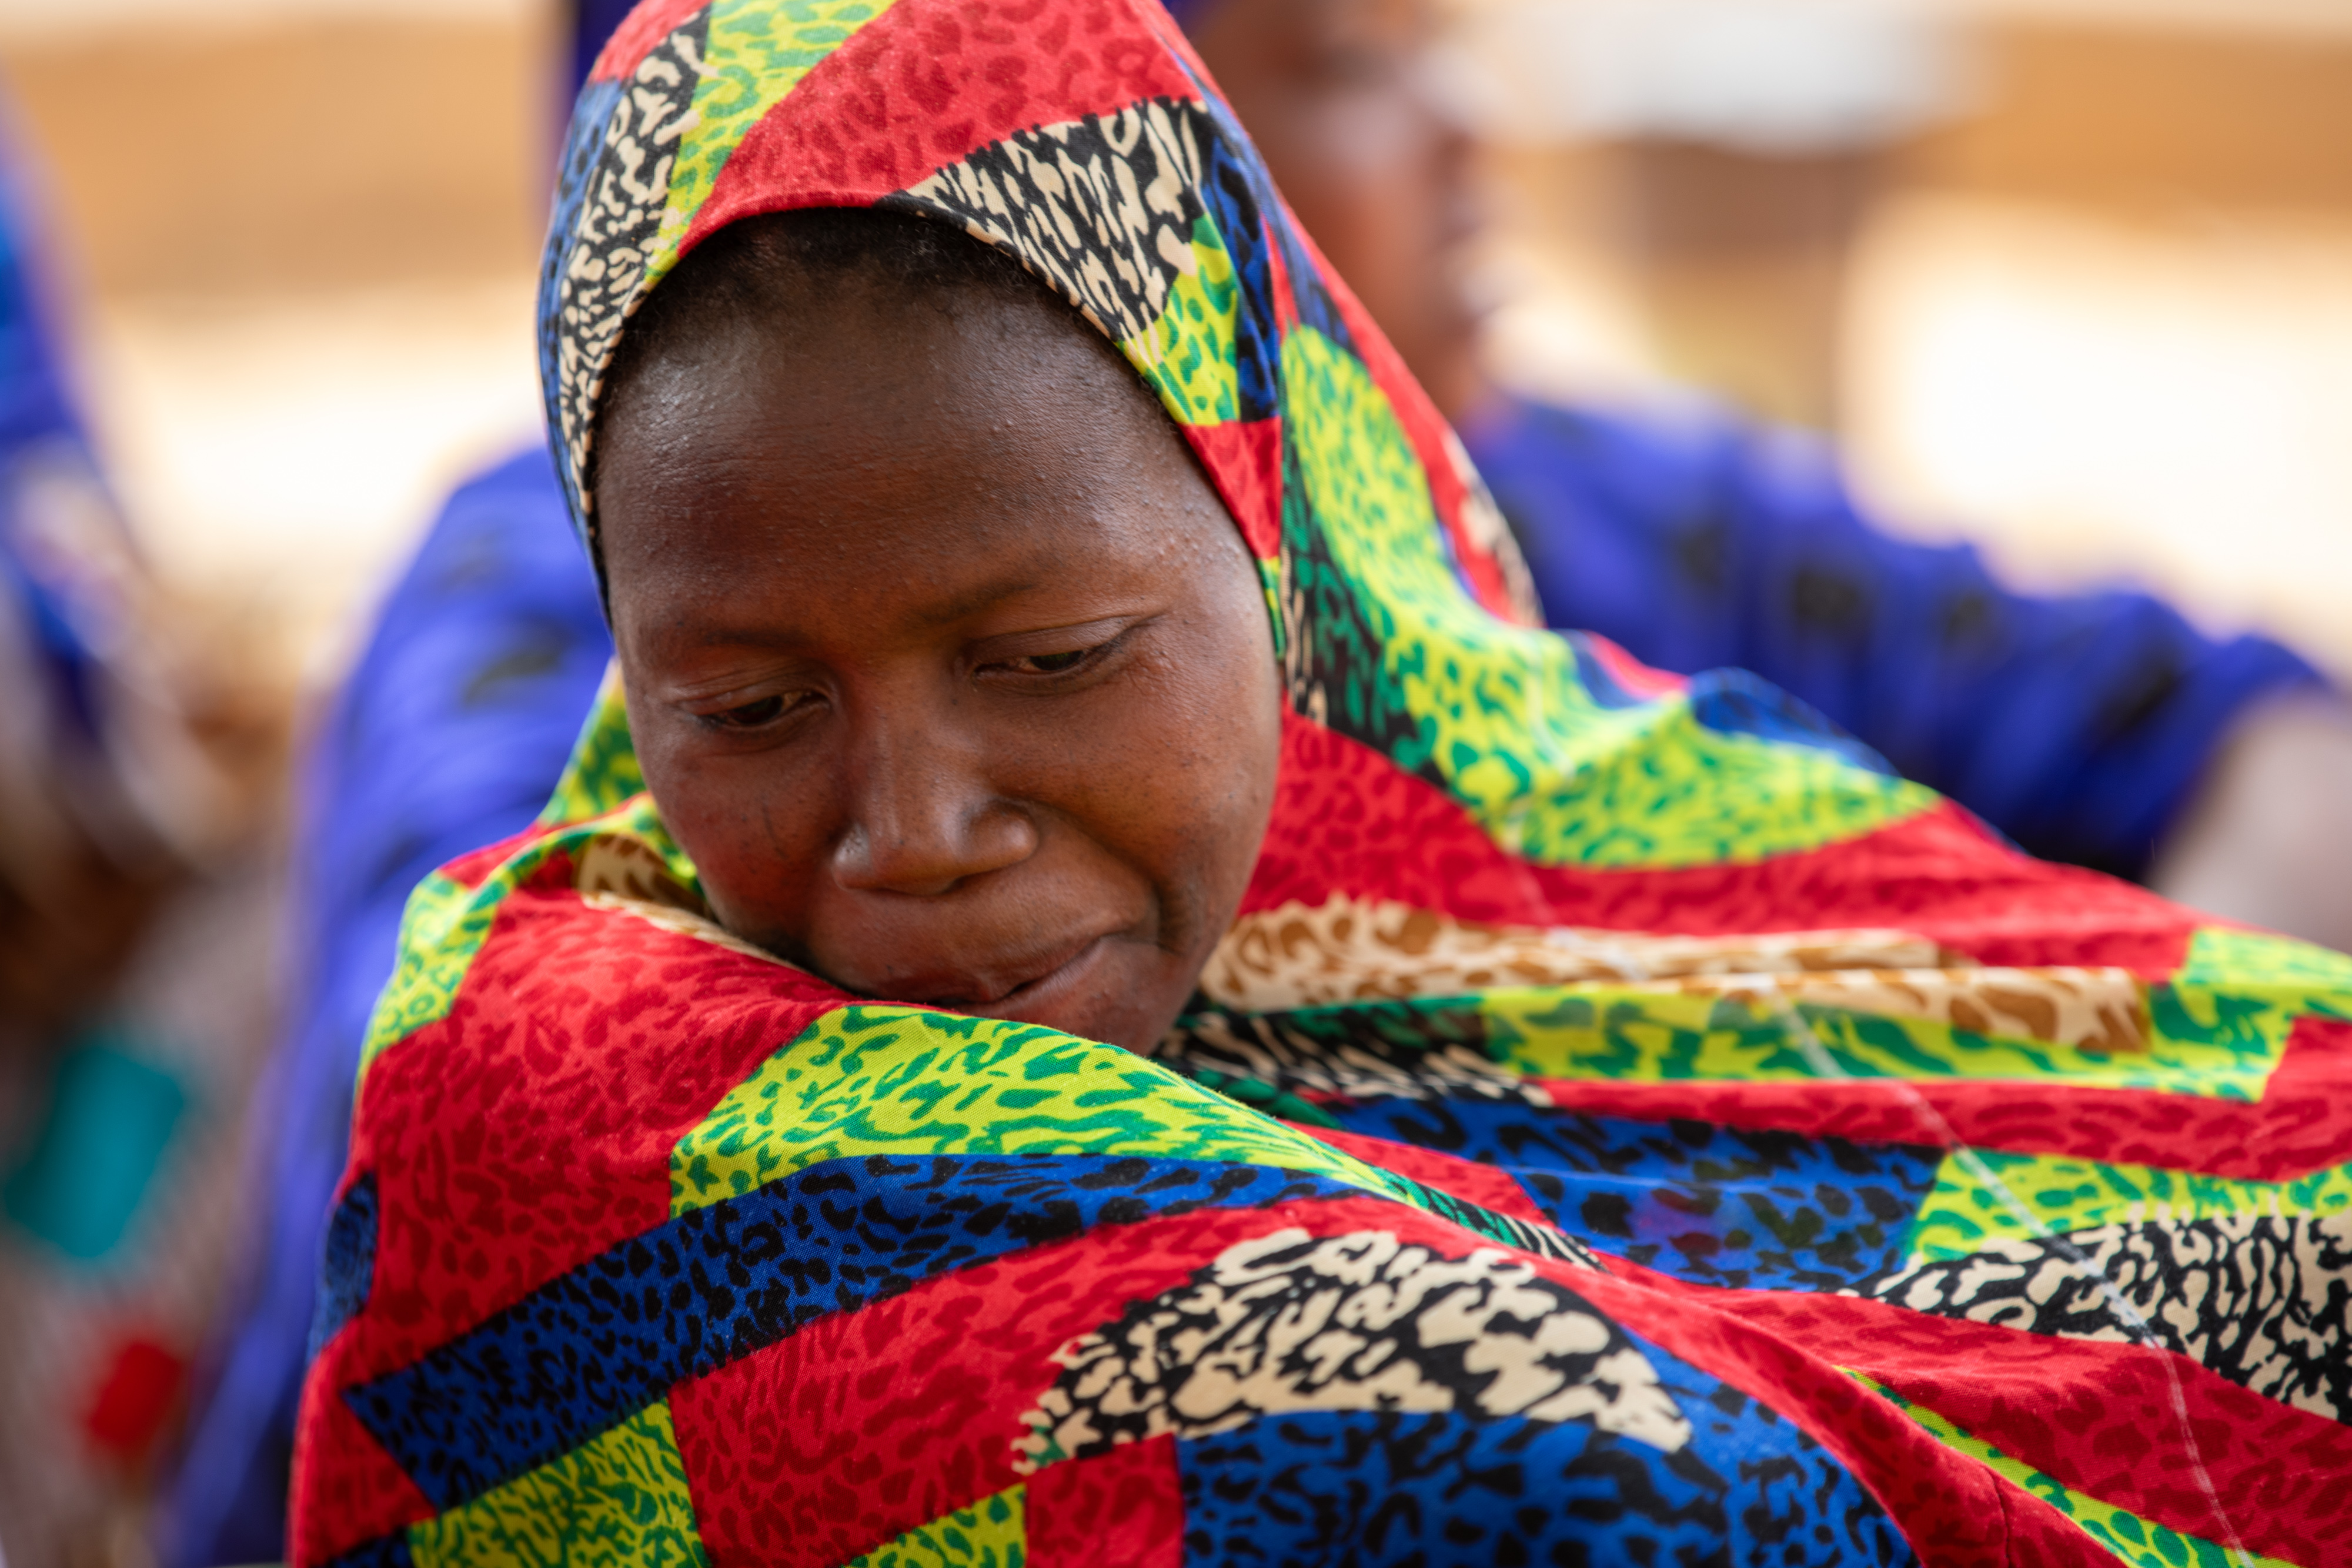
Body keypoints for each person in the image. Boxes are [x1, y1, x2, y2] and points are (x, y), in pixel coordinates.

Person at [161, 0, 2352, 1554]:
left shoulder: (1540, 698)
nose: (913, 830)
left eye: (1049, 662)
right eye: (743, 712)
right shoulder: (561, 977)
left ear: (1259, 472)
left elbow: (2207, 811)